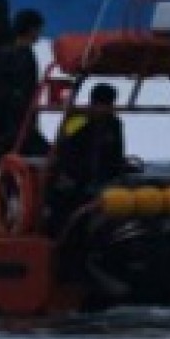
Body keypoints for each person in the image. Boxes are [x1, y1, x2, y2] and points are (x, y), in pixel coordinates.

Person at [49, 82, 127, 229]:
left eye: (111, 104)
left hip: (103, 181)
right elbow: (62, 146)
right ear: (94, 103)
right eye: (106, 104)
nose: (109, 108)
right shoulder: (77, 120)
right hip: (75, 180)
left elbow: (117, 153)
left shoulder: (114, 124)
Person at [0, 7, 47, 155]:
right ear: (31, 30)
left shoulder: (2, 53)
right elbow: (24, 94)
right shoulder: (25, 57)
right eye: (39, 29)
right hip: (13, 127)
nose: (40, 34)